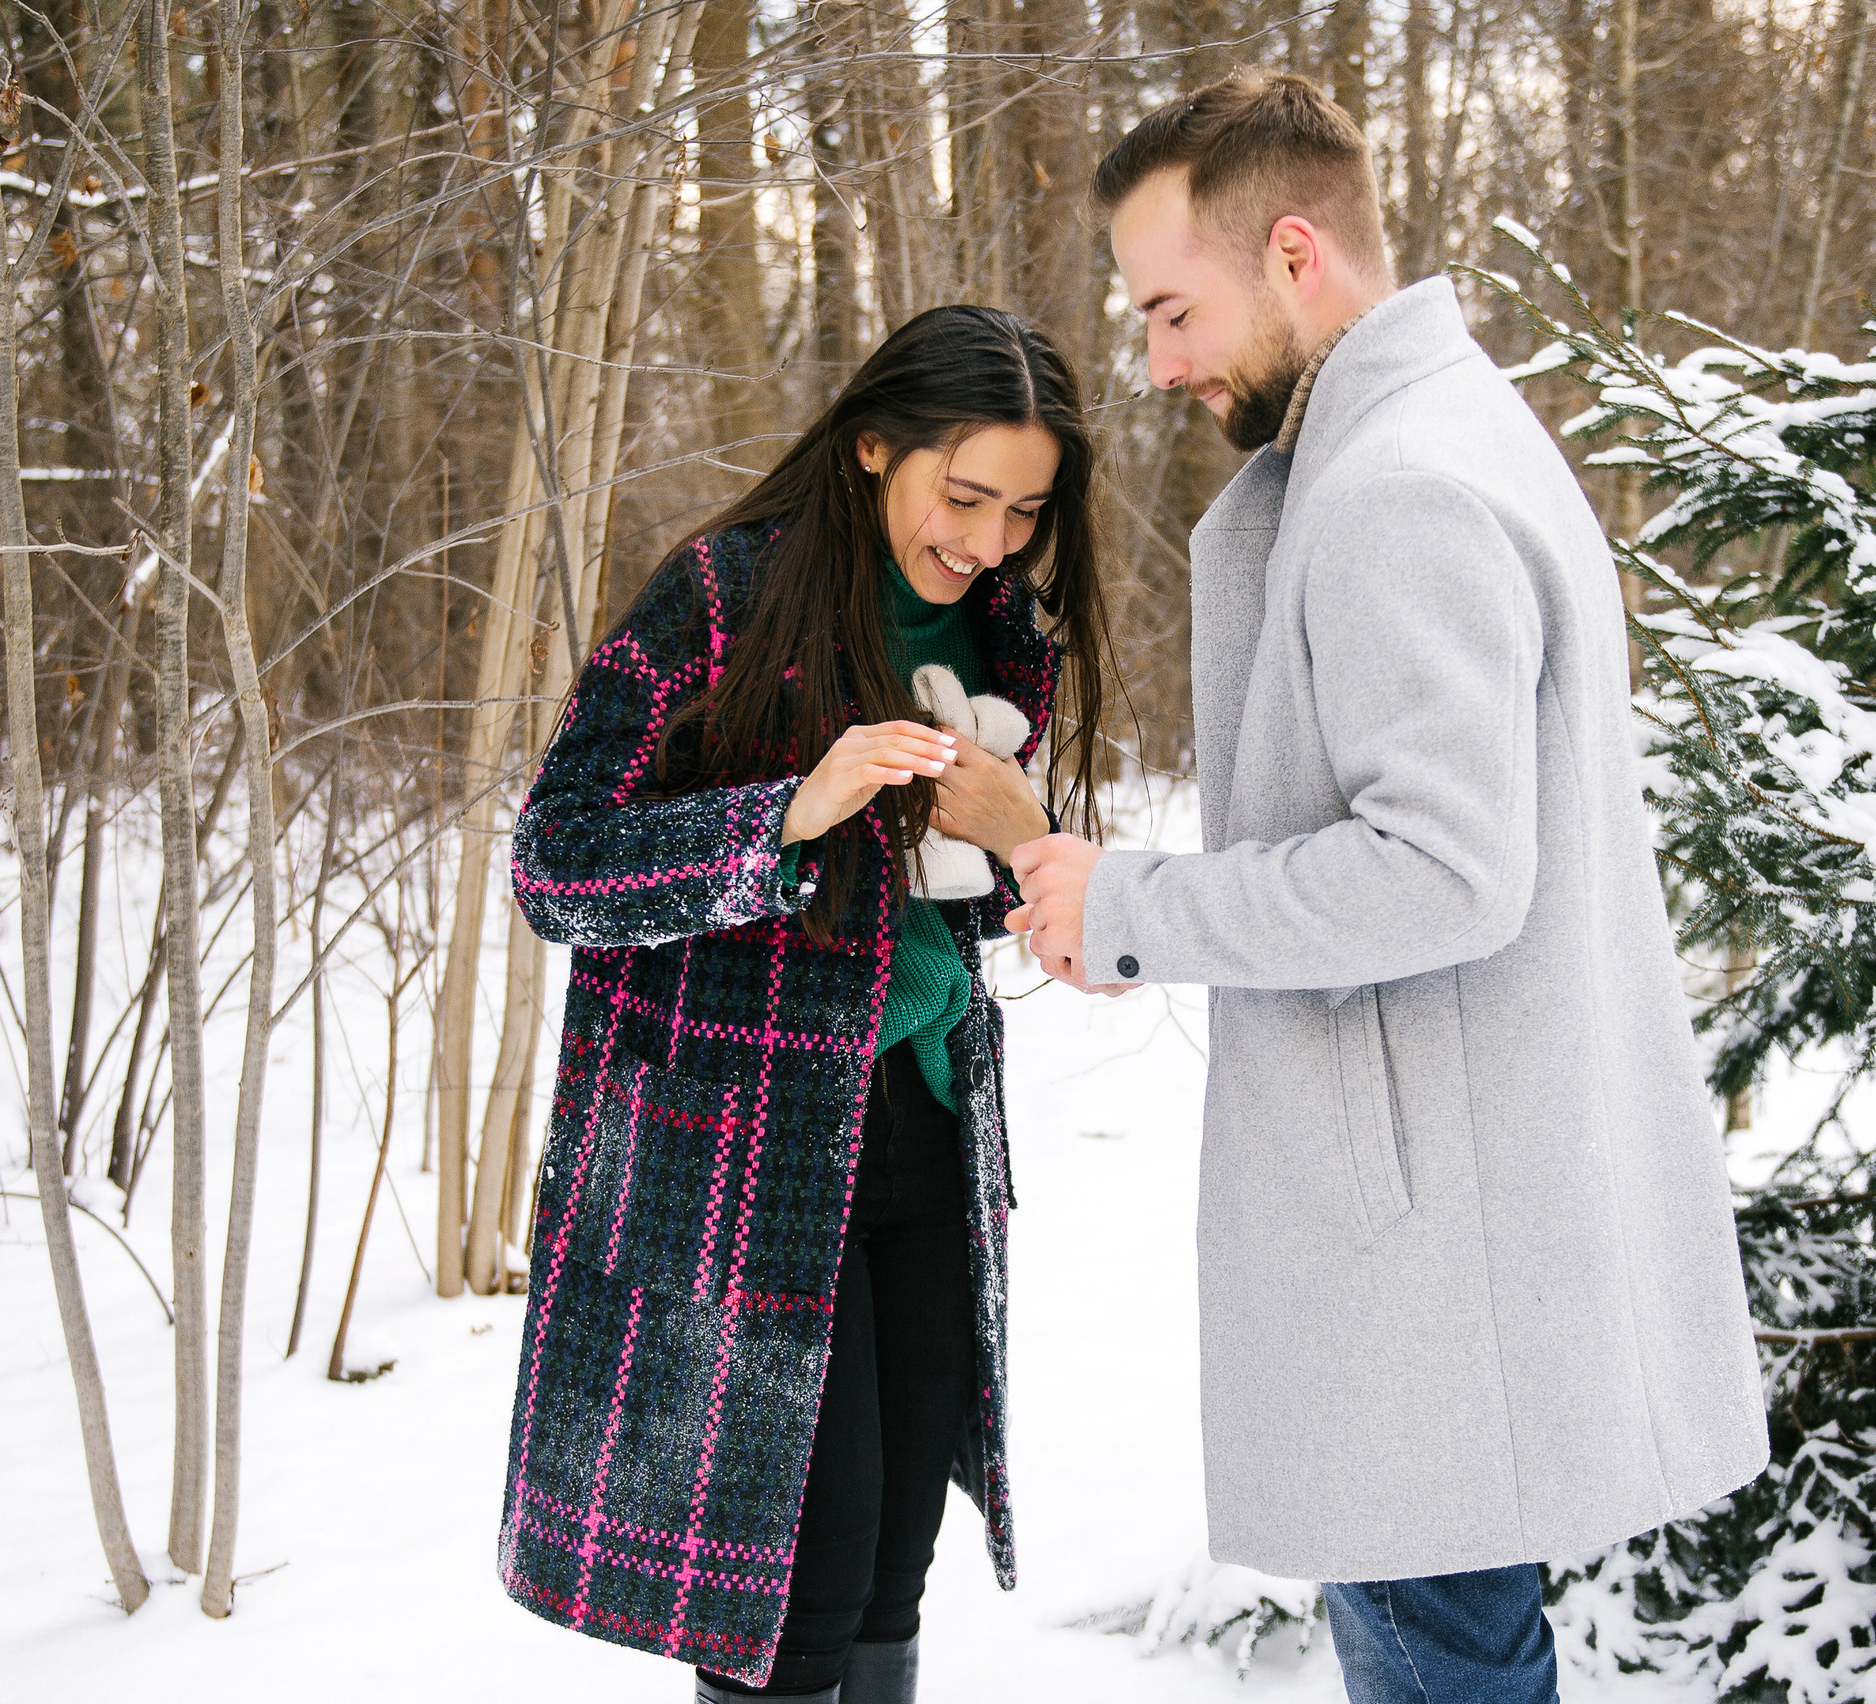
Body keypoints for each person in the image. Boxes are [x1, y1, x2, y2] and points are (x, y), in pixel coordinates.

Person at [1006, 70, 1770, 1704]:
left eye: (1171, 310)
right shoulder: (1438, 431)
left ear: (1294, 252)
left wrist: (1134, 904)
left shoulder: (1398, 485)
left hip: (1423, 1244)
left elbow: (1442, 872)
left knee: (1439, 1659)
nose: (1159, 364)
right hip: (1448, 1205)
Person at [499, 304, 1111, 1704]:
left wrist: (1026, 832)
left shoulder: (1006, 625)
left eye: (1023, 511)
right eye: (963, 497)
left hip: (926, 1127)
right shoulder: (723, 594)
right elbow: (556, 866)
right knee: (786, 1596)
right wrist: (788, 813)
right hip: (745, 1162)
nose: (989, 541)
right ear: (871, 444)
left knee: (895, 1560)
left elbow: (1006, 882)